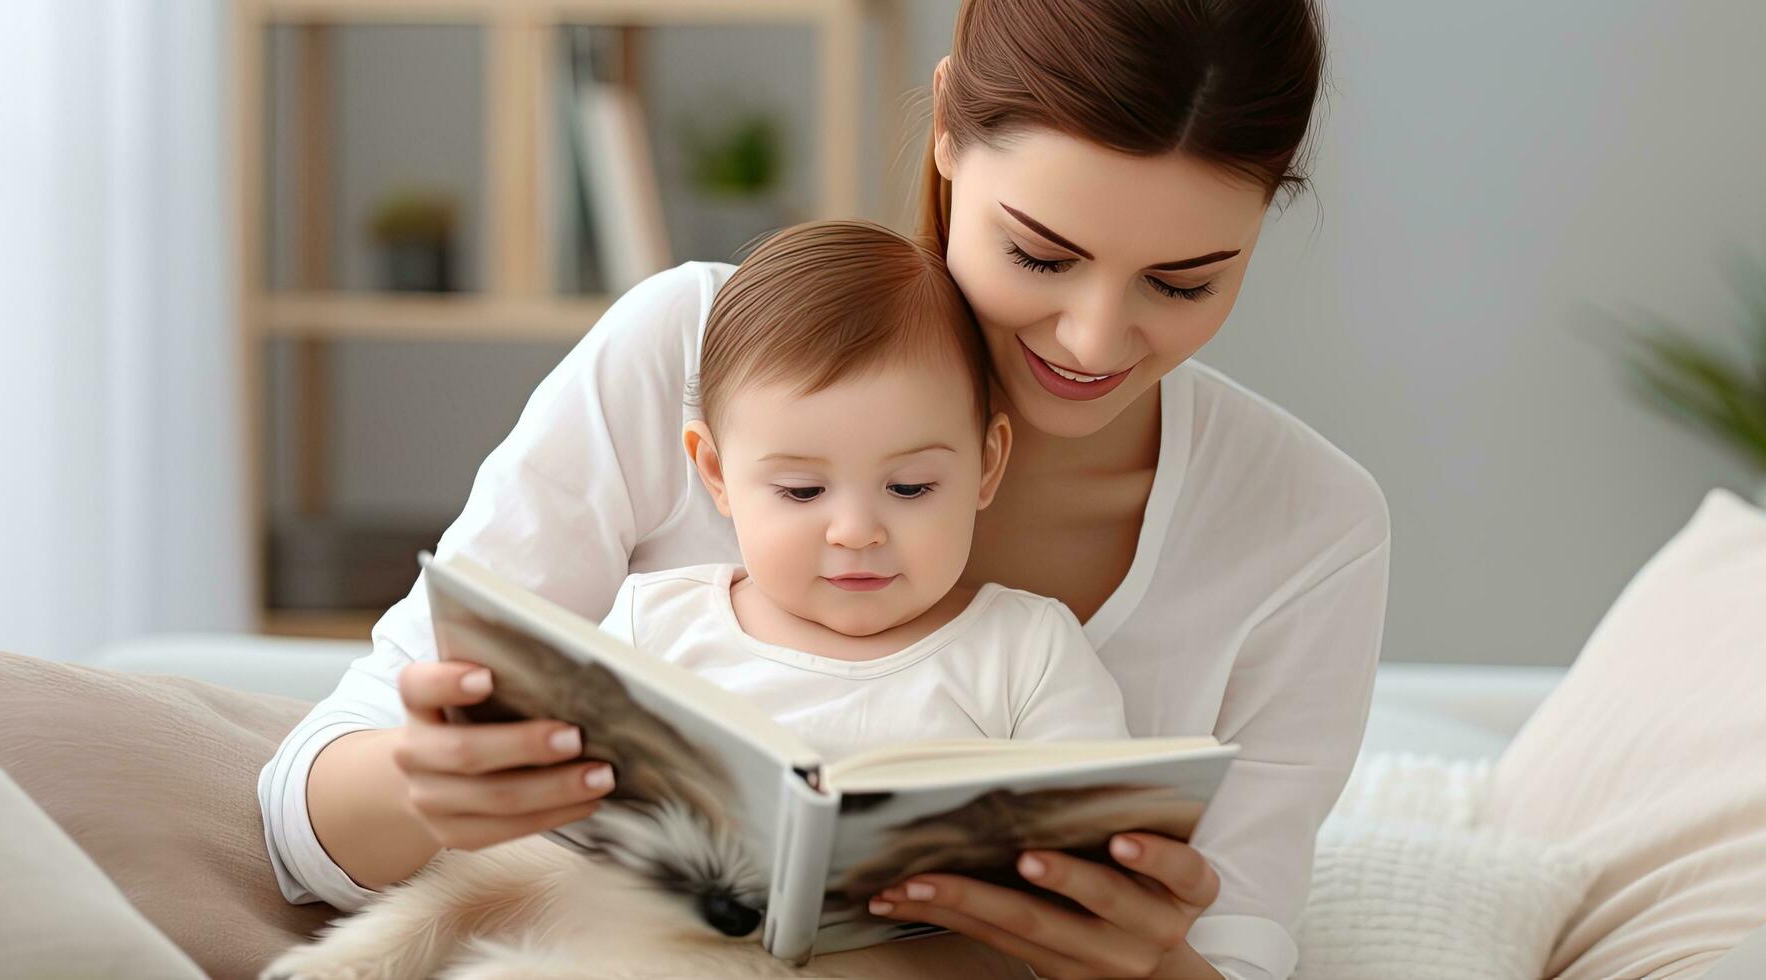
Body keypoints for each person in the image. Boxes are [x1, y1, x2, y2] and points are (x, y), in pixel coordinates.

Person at [260, 2, 1384, 977]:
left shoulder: (1306, 530)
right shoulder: (686, 355)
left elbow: (1233, 948)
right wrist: (425, 785)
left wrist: (1144, 960)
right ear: (946, 126)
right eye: (1040, 255)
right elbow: (302, 817)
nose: (1092, 337)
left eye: (1182, 282)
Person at [594, 219, 1129, 764]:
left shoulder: (1026, 654)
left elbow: (1097, 821)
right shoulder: (654, 629)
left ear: (987, 466)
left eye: (909, 487)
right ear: (715, 472)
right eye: (802, 491)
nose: (855, 532)